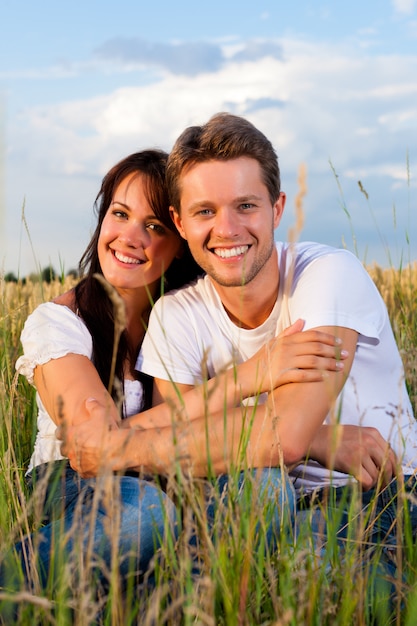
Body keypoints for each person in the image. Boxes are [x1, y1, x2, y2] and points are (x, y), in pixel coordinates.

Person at [60, 113, 417, 611]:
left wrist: (115, 449)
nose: (227, 229)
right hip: (253, 499)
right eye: (205, 211)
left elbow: (281, 434)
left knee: (339, 595)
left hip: (367, 495)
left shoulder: (328, 276)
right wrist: (316, 439)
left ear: (277, 209)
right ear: (181, 223)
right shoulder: (177, 315)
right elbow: (179, 455)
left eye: (245, 205)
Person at [1, 148, 343, 608]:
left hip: (171, 475)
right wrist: (251, 376)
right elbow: (95, 443)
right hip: (72, 482)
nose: (130, 237)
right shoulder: (60, 322)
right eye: (119, 214)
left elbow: (216, 433)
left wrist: (315, 435)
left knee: (265, 487)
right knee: (144, 511)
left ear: (180, 237)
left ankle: (179, 605)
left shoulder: (187, 317)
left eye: (155, 226)